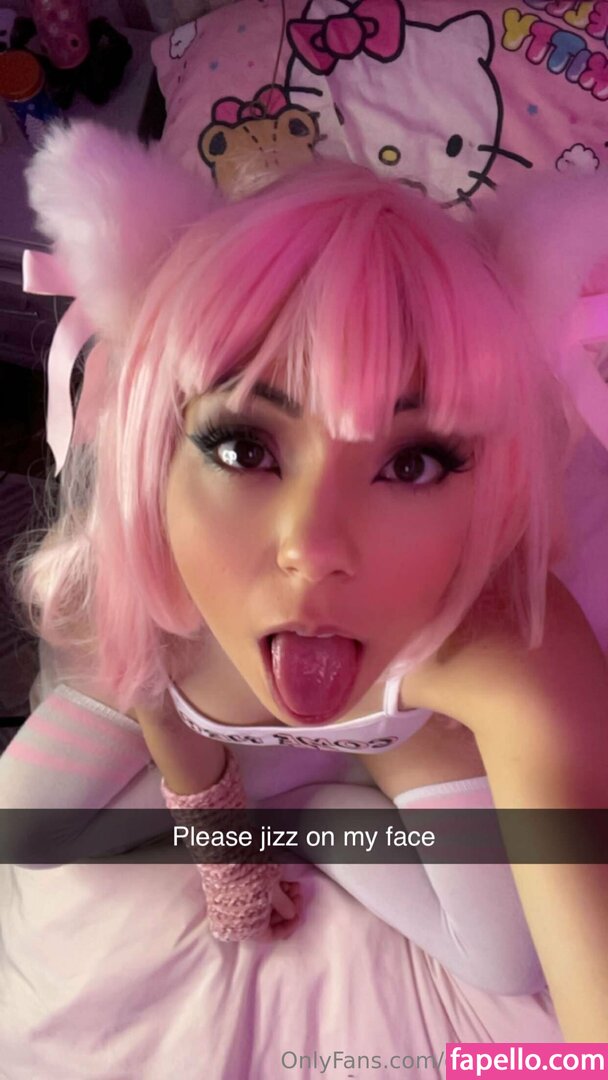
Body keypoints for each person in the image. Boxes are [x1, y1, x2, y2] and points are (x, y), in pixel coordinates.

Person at [3, 120, 608, 1041]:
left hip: (394, 745)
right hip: (207, 725)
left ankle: (315, 802)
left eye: (412, 464)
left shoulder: (505, 642)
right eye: (245, 448)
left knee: (503, 960)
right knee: (22, 827)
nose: (313, 546)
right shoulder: (154, 551)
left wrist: (299, 826)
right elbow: (153, 695)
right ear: (159, 450)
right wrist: (223, 847)